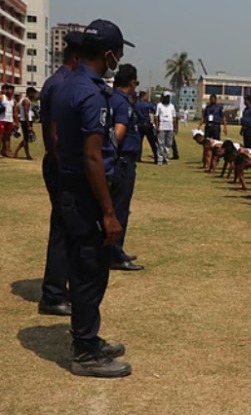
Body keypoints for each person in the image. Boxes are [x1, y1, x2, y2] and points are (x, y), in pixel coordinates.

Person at [51, 19, 134, 377]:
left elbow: (57, 141)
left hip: (71, 187)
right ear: (108, 54)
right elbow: (92, 156)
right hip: (86, 194)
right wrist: (108, 211)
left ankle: (89, 337)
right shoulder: (90, 93)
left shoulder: (67, 85)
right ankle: (85, 351)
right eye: (119, 52)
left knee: (86, 266)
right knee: (89, 270)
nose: (119, 58)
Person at [36, 37, 80, 316]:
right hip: (61, 164)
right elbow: (56, 134)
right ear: (76, 57)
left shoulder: (56, 81)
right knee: (64, 228)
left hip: (56, 162)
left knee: (66, 226)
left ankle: (59, 287)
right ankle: (53, 293)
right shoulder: (64, 84)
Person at [108, 64, 144, 271]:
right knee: (119, 209)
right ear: (132, 83)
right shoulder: (122, 103)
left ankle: (113, 250)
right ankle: (115, 254)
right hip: (122, 162)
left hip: (118, 161)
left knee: (114, 207)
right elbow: (117, 135)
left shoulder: (111, 98)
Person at [13, 87, 37, 159]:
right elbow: (26, 113)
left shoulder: (22, 100)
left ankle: (16, 151)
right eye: (33, 93)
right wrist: (29, 126)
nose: (34, 95)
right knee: (26, 139)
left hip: (25, 120)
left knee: (25, 138)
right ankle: (27, 155)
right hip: (26, 121)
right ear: (30, 93)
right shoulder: (26, 101)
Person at [155, 92, 177, 165]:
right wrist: (157, 126)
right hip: (162, 125)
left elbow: (174, 117)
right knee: (161, 143)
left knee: (169, 143)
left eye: (168, 97)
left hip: (170, 125)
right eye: (165, 97)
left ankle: (166, 158)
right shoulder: (159, 105)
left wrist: (175, 127)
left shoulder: (172, 106)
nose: (167, 98)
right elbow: (156, 116)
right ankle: (160, 159)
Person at [134, 91, 157, 162]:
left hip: (139, 124)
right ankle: (156, 156)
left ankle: (137, 157)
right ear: (143, 96)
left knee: (139, 142)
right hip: (147, 124)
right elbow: (154, 110)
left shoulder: (136, 104)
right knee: (152, 142)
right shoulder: (148, 104)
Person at [0, 84, 16, 157]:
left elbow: (15, 112)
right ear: (7, 90)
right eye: (10, 90)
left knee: (7, 137)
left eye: (13, 90)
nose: (12, 91)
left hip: (9, 120)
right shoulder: (2, 97)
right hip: (1, 119)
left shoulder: (13, 100)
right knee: (0, 136)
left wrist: (16, 122)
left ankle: (6, 151)